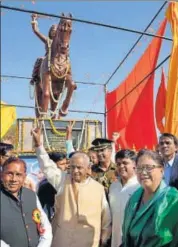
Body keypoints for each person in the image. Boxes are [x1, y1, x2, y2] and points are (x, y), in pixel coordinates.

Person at [32, 127, 111, 247]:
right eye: (72, 167)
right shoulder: (62, 180)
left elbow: (106, 218)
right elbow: (47, 166)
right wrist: (39, 145)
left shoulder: (98, 189)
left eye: (79, 167)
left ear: (88, 168)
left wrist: (104, 238)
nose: (75, 171)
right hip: (63, 241)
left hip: (90, 242)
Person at [121, 149, 178, 247]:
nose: (143, 172)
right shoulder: (134, 198)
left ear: (162, 170)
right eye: (139, 168)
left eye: (148, 167)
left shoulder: (172, 200)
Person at [0, 157, 52, 247]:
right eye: (9, 174)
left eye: (18, 174)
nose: (14, 179)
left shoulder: (31, 195)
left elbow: (44, 225)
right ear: (1, 175)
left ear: (24, 176)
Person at [109, 149, 139, 247]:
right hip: (115, 240)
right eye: (118, 164)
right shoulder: (113, 186)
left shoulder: (141, 187)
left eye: (125, 163)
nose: (121, 166)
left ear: (134, 164)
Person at [38, 152, 67, 220]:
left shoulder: (69, 180)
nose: (65, 166)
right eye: (62, 164)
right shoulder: (45, 185)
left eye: (66, 163)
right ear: (53, 166)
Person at [30, 13, 57, 85]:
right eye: (52, 30)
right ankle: (34, 77)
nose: (54, 32)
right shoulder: (47, 40)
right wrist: (34, 20)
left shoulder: (61, 43)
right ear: (50, 32)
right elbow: (36, 31)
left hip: (58, 59)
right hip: (48, 58)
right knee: (40, 59)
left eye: (56, 31)